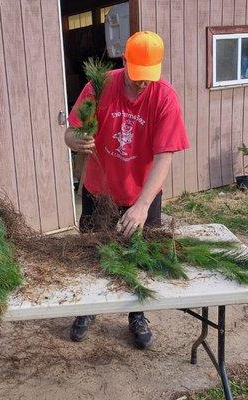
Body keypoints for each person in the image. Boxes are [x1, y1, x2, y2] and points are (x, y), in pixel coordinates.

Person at [64, 31, 190, 349]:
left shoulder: (165, 97)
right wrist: (75, 140)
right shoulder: (100, 85)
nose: (143, 84)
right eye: (137, 77)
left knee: (138, 256)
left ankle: (136, 313)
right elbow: (71, 132)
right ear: (124, 61)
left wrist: (142, 204)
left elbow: (165, 156)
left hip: (142, 194)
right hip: (99, 190)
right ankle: (89, 308)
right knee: (93, 252)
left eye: (149, 77)